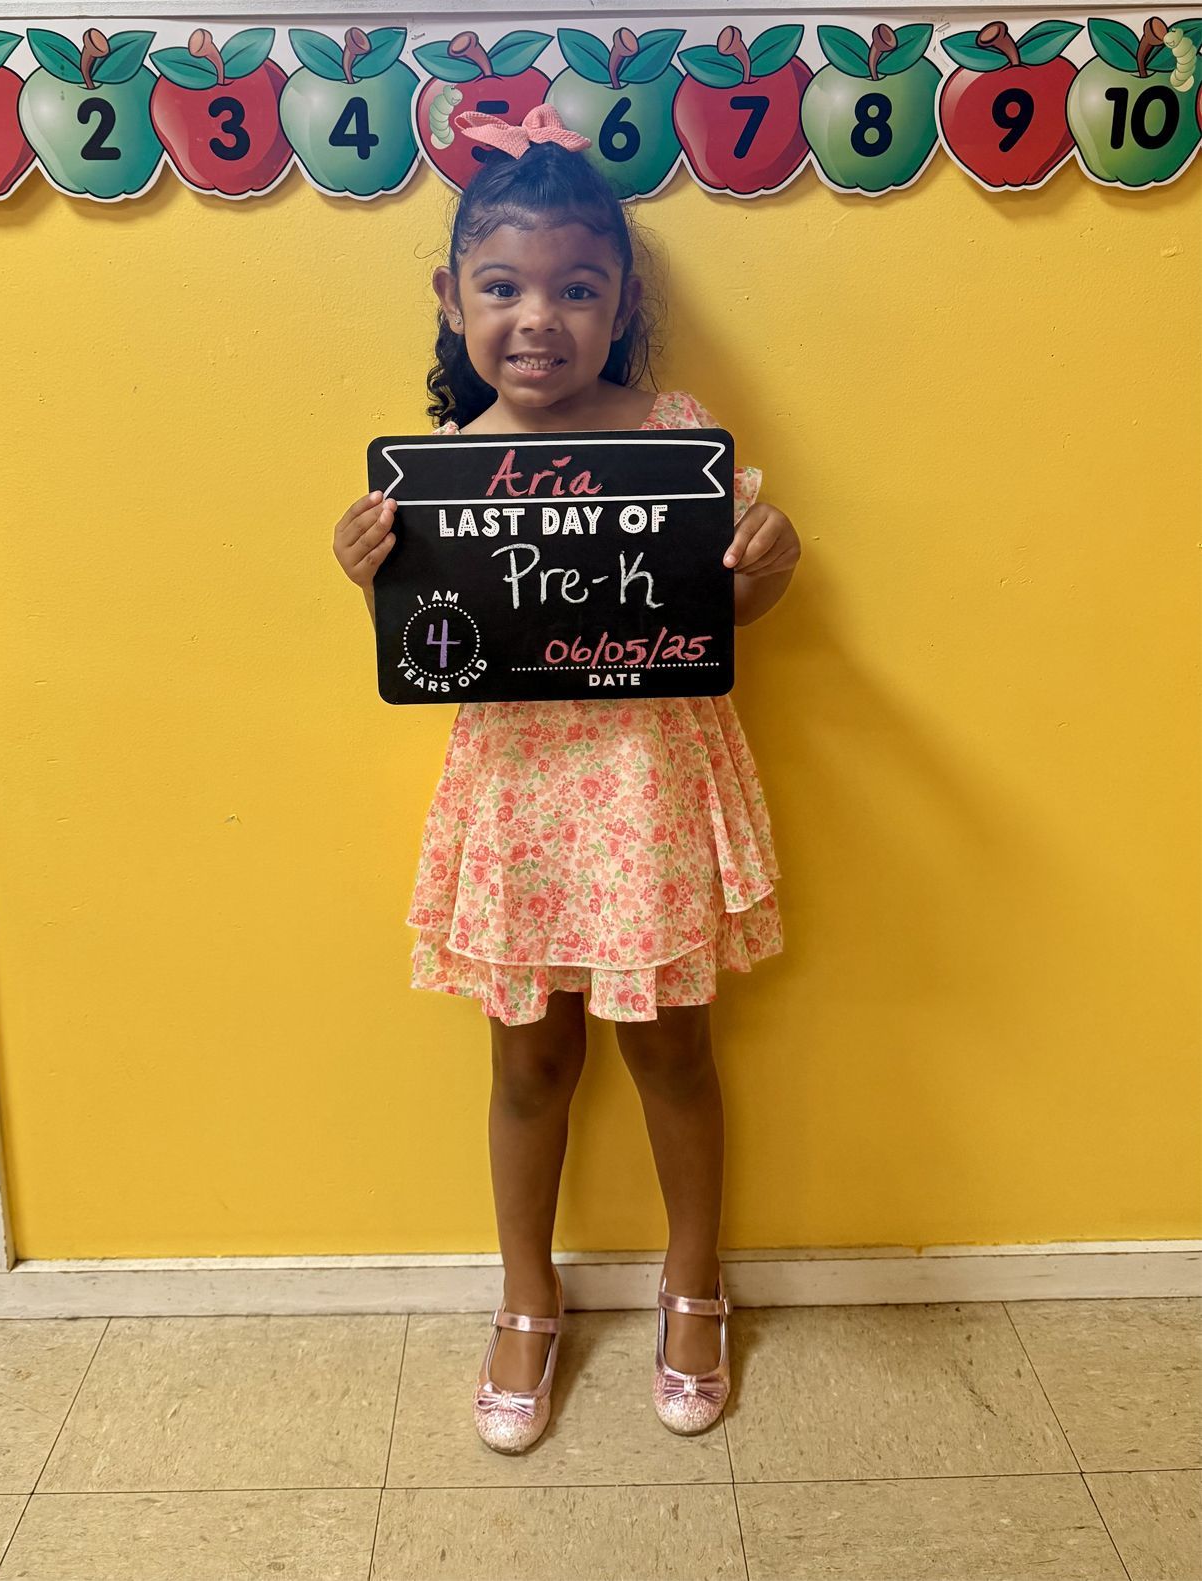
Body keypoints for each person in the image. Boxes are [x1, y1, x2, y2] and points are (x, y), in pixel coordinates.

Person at [331, 105, 801, 1455]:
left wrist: (767, 560)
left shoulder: (674, 435)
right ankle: (526, 1294)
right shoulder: (434, 476)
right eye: (504, 286)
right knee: (529, 1061)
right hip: (522, 806)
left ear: (618, 303)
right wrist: (368, 565)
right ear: (453, 299)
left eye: (575, 288)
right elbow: (429, 642)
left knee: (673, 1051)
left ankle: (694, 1279)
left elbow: (737, 601)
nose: (538, 316)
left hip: (649, 793)